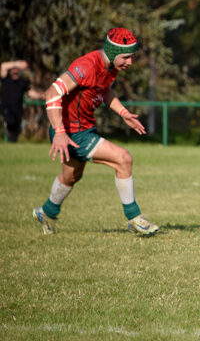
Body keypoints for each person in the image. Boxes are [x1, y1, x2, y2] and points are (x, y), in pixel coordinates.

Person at [32, 28, 159, 236]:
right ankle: (135, 219)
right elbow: (52, 92)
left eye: (132, 57)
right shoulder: (87, 66)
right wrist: (60, 132)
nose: (130, 62)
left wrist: (123, 112)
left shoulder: (110, 67)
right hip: (72, 132)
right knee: (123, 159)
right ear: (112, 52)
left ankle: (46, 212)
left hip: (83, 129)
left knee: (71, 176)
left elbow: (104, 90)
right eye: (126, 57)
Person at [1, 60, 44, 142]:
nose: (15, 70)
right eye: (13, 68)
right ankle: (7, 130)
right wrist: (17, 63)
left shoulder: (22, 82)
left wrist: (42, 95)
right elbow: (3, 66)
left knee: (16, 131)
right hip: (7, 108)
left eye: (16, 68)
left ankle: (12, 144)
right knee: (11, 121)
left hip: (18, 109)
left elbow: (30, 93)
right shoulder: (6, 79)